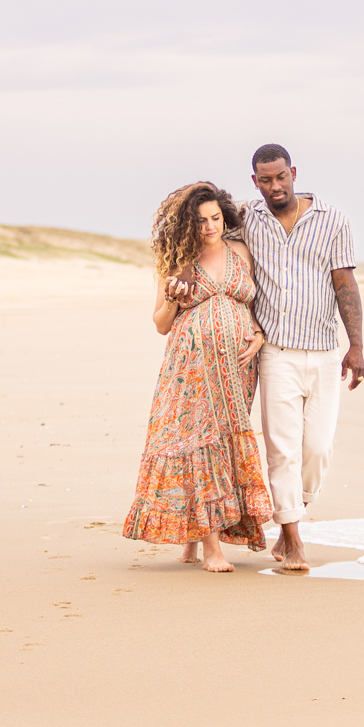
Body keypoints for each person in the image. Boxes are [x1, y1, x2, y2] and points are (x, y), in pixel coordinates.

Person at [121, 182, 273, 572]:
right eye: (202, 221)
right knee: (200, 445)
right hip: (192, 370)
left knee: (222, 443)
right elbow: (160, 324)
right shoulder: (179, 260)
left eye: (215, 218)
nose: (210, 227)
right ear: (189, 225)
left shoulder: (240, 251)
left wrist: (256, 332)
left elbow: (249, 302)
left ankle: (193, 540)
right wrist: (172, 297)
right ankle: (211, 549)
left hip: (238, 369)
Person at [241, 144, 364, 572]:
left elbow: (345, 283)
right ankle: (294, 540)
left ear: (293, 172)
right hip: (276, 354)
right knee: (282, 452)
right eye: (265, 180)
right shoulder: (246, 220)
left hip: (326, 352)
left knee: (318, 449)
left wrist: (357, 345)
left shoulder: (333, 220)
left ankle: (291, 516)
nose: (274, 186)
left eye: (281, 177)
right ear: (254, 181)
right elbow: (205, 235)